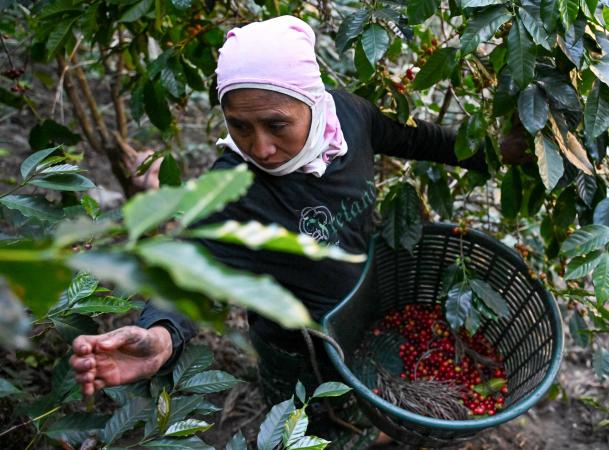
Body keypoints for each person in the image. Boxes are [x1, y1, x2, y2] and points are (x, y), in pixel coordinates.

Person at [69, 15, 528, 447]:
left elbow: (417, 138)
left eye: (276, 125)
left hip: (362, 312)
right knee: (309, 426)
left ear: (312, 100)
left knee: (364, 401)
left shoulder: (349, 117)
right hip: (297, 348)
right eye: (239, 127)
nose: (261, 148)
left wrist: (493, 153)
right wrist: (162, 334)